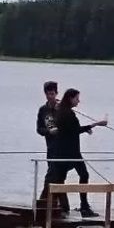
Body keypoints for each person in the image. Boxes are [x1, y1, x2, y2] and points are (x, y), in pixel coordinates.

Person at [52, 88, 108, 218]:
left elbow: (70, 130)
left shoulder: (61, 111)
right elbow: (73, 130)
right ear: (70, 98)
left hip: (61, 151)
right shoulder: (65, 113)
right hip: (71, 152)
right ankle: (82, 207)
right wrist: (96, 124)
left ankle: (61, 208)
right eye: (77, 98)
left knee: (59, 180)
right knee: (83, 175)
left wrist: (85, 129)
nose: (78, 101)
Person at [36, 80, 69, 214]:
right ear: (45, 94)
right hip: (51, 147)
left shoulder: (62, 108)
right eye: (48, 94)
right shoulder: (43, 110)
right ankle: (62, 206)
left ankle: (44, 203)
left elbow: (69, 124)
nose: (51, 96)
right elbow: (39, 129)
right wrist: (48, 131)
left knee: (55, 176)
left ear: (56, 93)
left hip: (64, 148)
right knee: (56, 176)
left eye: (53, 94)